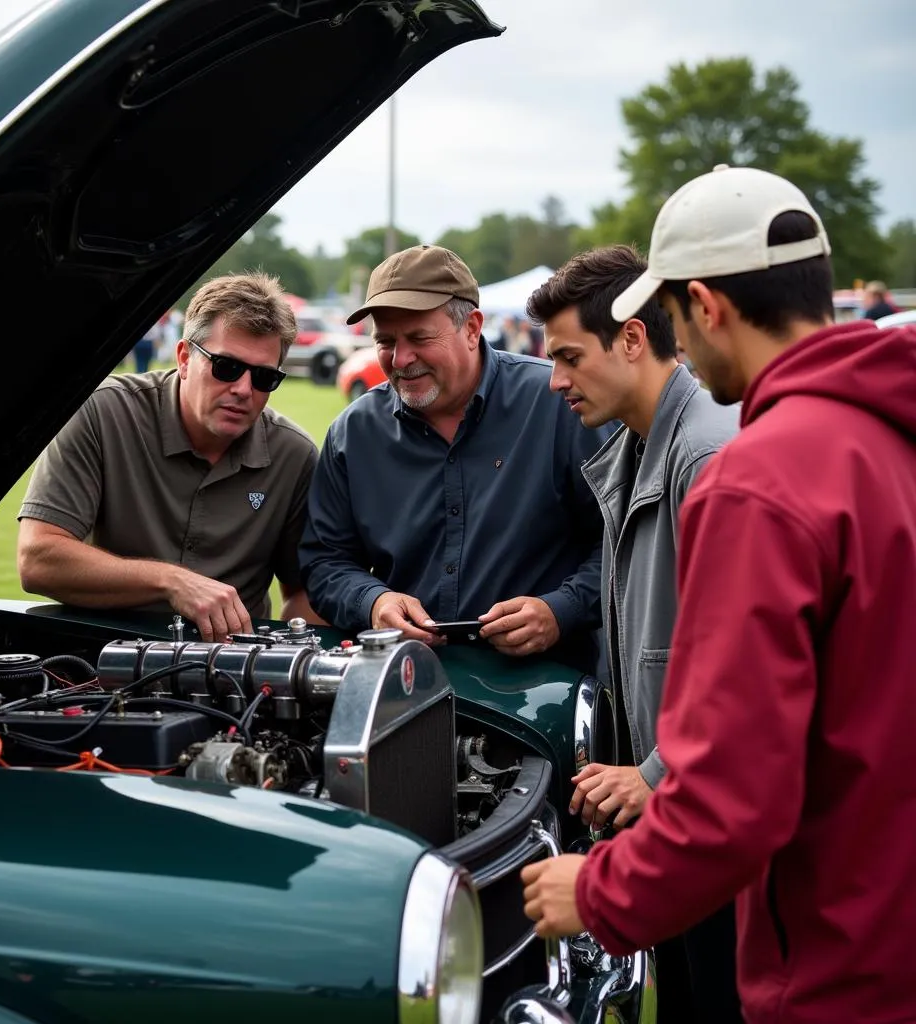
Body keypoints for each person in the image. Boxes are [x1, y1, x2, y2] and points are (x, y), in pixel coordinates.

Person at [520, 165, 916, 1023]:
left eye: (675, 316)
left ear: (706, 304)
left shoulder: (756, 475)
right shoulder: (887, 435)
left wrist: (598, 891)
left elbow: (736, 795)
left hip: (833, 956)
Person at [526, 244, 740, 1022]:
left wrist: (652, 772)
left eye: (569, 357)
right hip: (680, 816)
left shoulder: (709, 454)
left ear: (632, 340)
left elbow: (747, 670)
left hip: (717, 828)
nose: (554, 381)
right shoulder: (642, 446)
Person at [299, 244, 610, 666]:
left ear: (472, 328)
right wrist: (373, 601)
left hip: (545, 692)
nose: (401, 358)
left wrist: (562, 610)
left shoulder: (560, 406)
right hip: (406, 686)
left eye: (419, 338)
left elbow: (620, 538)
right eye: (386, 341)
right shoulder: (353, 434)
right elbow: (325, 561)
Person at [17, 272, 320, 641]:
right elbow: (37, 558)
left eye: (264, 378)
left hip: (232, 676)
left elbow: (303, 592)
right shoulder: (103, 412)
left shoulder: (294, 455)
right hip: (105, 661)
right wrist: (172, 582)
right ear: (184, 358)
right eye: (227, 367)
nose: (243, 389)